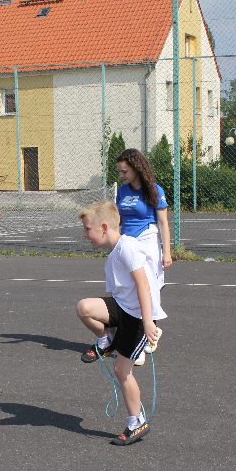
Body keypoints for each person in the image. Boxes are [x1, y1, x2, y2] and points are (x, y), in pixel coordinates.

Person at [75, 201, 164, 446]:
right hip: (122, 308)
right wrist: (112, 324)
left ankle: (137, 422)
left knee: (121, 371)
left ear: (104, 227)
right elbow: (118, 292)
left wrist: (148, 322)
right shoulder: (114, 254)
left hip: (137, 318)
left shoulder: (127, 248)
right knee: (84, 308)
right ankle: (106, 340)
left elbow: (143, 285)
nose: (85, 234)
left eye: (88, 229)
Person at [113, 148, 172, 362]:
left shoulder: (154, 190)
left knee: (148, 287)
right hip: (127, 242)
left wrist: (167, 252)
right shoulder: (122, 191)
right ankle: (136, 336)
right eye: (120, 171)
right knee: (127, 289)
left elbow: (163, 223)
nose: (122, 175)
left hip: (147, 240)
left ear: (137, 169)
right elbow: (118, 219)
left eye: (125, 171)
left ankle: (147, 335)